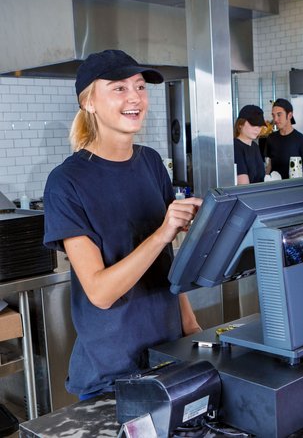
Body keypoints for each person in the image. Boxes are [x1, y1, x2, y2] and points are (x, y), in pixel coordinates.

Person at [43, 49, 202, 400]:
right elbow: (99, 292)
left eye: (141, 87)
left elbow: (166, 265)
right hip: (112, 375)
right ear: (89, 102)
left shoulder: (151, 163)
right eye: (119, 88)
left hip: (169, 355)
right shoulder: (66, 182)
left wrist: (190, 328)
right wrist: (163, 233)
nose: (135, 98)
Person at [265, 98, 303, 179]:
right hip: (275, 188)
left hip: (295, 188)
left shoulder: (302, 140)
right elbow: (269, 165)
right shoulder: (271, 139)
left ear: (290, 115)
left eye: (279, 115)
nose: (275, 119)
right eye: (273, 115)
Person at [234, 104, 266, 184]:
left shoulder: (255, 146)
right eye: (253, 124)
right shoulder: (235, 147)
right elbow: (243, 185)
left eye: (259, 125)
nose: (257, 129)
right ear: (240, 124)